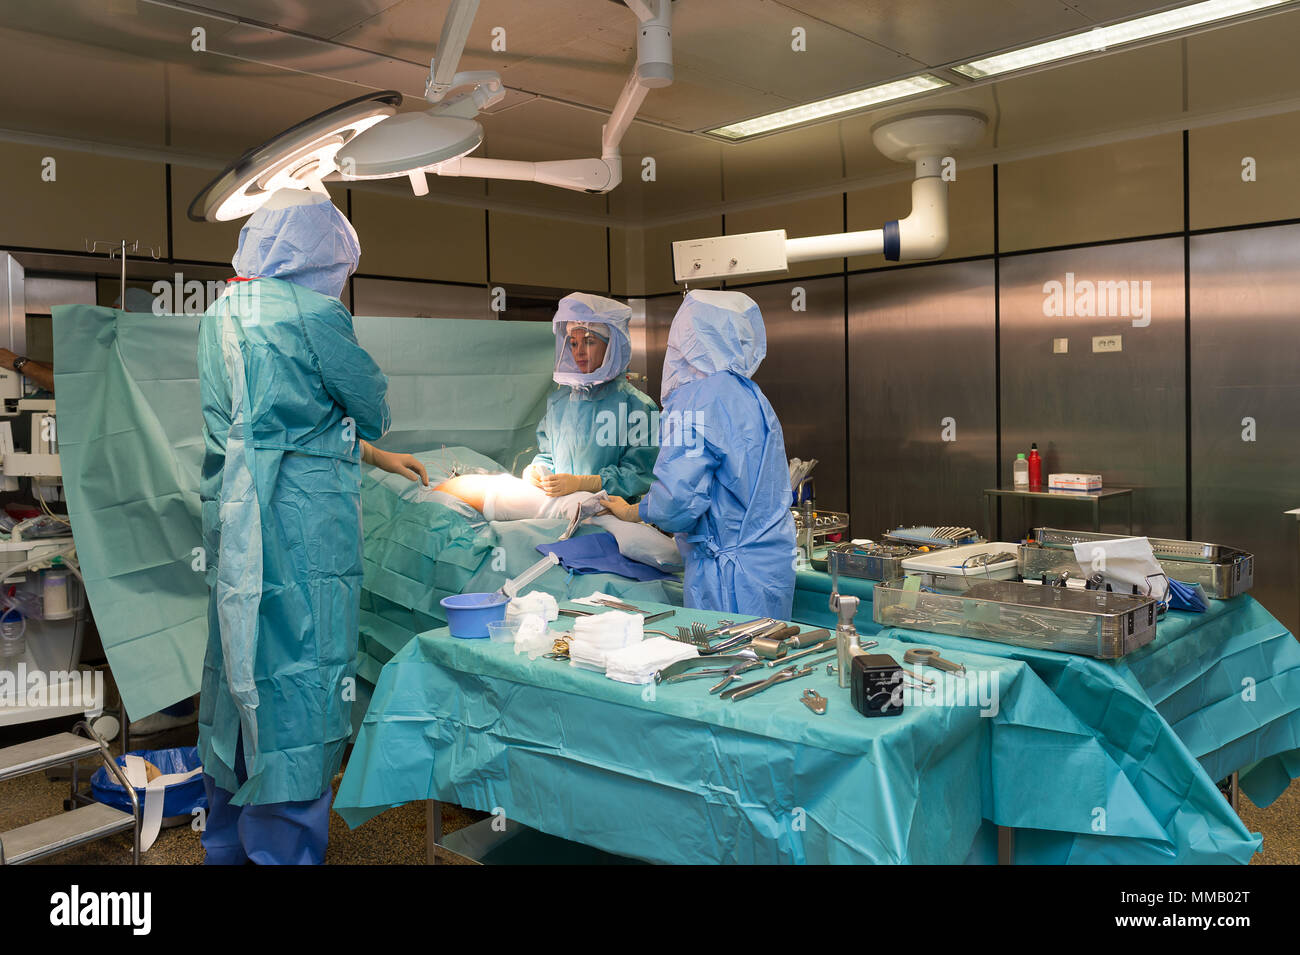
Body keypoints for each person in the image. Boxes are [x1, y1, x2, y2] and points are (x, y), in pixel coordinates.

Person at [196, 188, 425, 866]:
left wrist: (359, 447)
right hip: (301, 527)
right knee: (299, 679)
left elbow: (264, 419)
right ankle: (284, 847)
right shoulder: (315, 314)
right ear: (324, 257)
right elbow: (373, 405)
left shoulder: (219, 313)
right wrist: (366, 435)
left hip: (235, 521)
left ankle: (225, 845)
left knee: (240, 670)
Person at [602, 290, 797, 618]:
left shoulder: (697, 399)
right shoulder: (750, 395)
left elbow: (677, 503)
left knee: (728, 663)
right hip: (768, 567)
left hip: (728, 578)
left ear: (688, 338)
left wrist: (640, 511)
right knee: (764, 658)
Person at [521, 293, 658, 501]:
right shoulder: (560, 402)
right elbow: (549, 455)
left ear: (611, 346)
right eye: (574, 344)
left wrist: (589, 483)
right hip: (562, 513)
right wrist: (538, 470)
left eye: (589, 342)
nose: (579, 353)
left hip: (612, 518)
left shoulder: (636, 406)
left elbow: (640, 474)